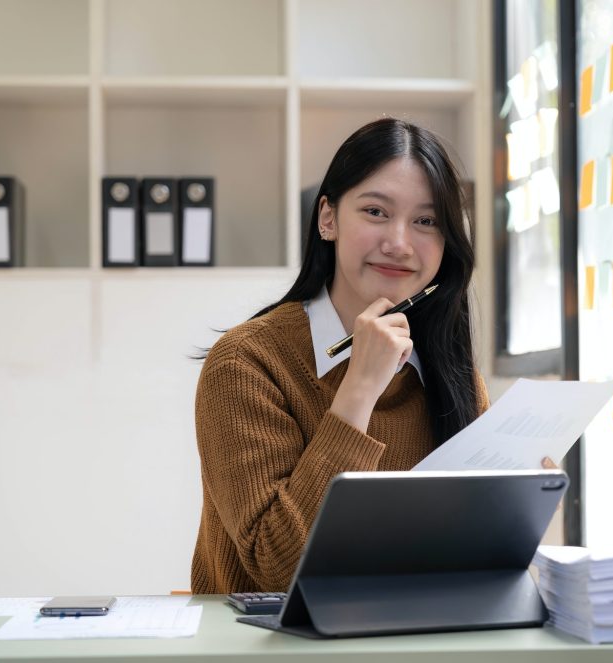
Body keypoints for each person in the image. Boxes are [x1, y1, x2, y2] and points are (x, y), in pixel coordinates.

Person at [190, 118, 490, 594]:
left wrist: (517, 509)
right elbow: (280, 568)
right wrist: (359, 390)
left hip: (408, 652)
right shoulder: (245, 363)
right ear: (327, 218)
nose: (399, 242)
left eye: (426, 221)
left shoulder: (452, 375)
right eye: (375, 211)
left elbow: (462, 561)